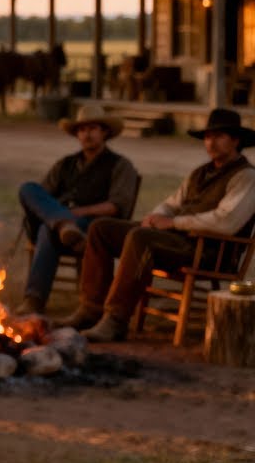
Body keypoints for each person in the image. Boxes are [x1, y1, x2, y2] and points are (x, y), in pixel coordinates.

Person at [58, 108, 255, 342]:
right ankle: (91, 309)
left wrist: (173, 222)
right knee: (101, 229)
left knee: (141, 238)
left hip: (209, 250)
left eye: (219, 136)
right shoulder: (199, 173)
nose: (211, 142)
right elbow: (171, 204)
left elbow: (226, 222)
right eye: (208, 136)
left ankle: (116, 319)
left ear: (236, 140)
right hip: (179, 240)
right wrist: (155, 217)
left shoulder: (246, 176)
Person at [14, 106, 139, 315]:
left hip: (90, 227)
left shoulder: (120, 165)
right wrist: (59, 215)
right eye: (81, 130)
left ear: (104, 132)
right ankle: (63, 224)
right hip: (56, 221)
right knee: (27, 188)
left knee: (48, 230)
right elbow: (41, 196)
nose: (86, 134)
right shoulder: (66, 164)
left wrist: (77, 214)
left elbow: (117, 206)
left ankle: (34, 300)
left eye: (92, 128)